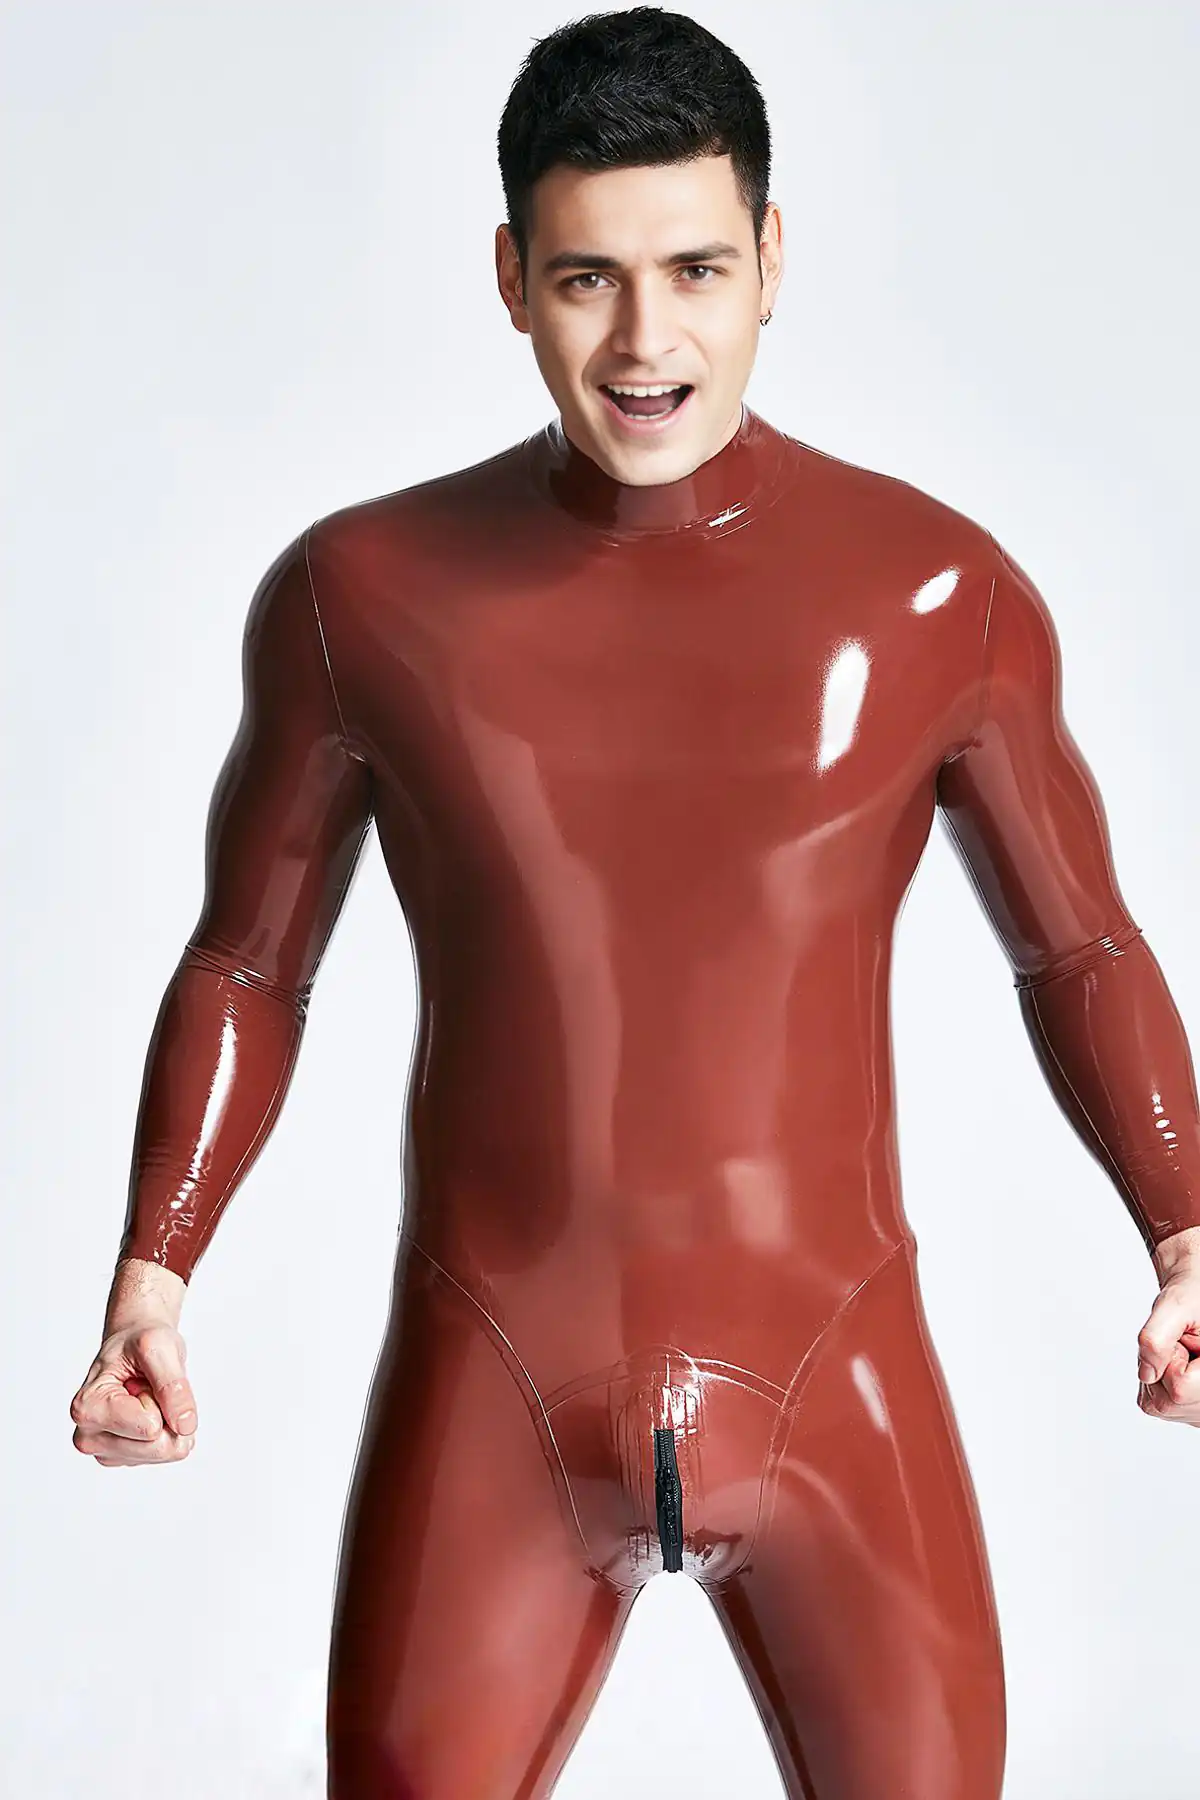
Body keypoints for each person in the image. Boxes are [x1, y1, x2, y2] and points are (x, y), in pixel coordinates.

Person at [69, 8, 1200, 1797]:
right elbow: (251, 962)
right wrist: (156, 1268)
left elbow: (1080, 945)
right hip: (494, 1383)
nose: (647, 341)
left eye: (696, 269)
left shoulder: (934, 596)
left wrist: (1186, 1230)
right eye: (589, 277)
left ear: (773, 261)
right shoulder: (363, 598)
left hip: (838, 1378)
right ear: (510, 279)